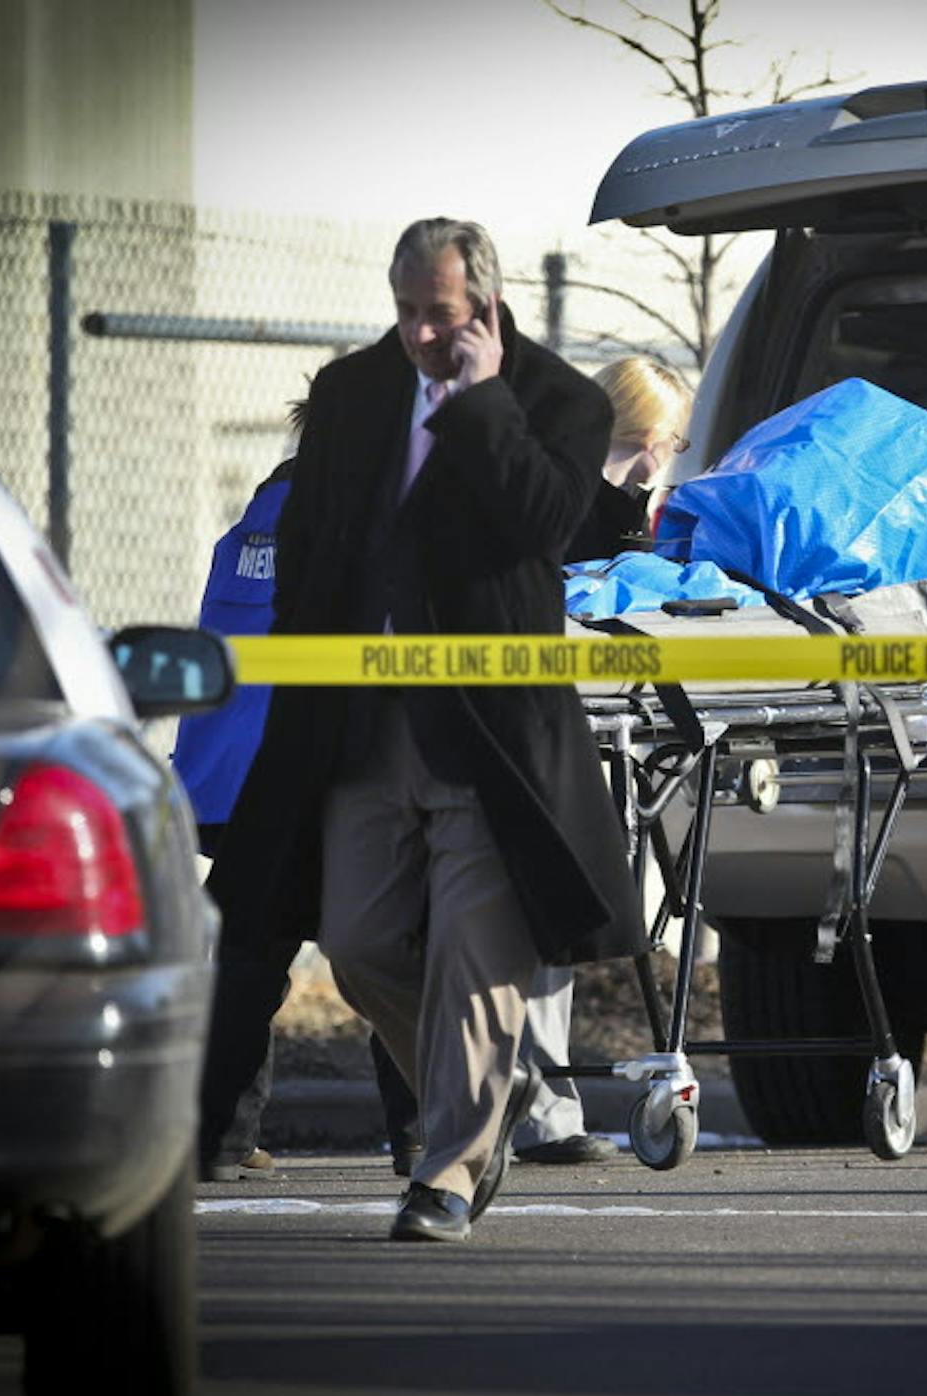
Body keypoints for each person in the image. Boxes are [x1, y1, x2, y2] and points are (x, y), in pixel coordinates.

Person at [206, 217, 644, 1243]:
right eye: (403, 310)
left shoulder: (558, 403)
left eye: (436, 315)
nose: (416, 333)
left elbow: (545, 522)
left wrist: (479, 399)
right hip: (363, 724)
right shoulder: (355, 392)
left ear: (483, 307)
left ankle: (448, 1167)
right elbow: (314, 537)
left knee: (476, 954)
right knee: (357, 942)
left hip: (489, 740)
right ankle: (483, 1104)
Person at [175, 415, 422, 1183]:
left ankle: (215, 1134)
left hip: (233, 774)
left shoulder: (254, 525)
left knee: (247, 952)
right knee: (395, 938)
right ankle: (425, 1130)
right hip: (324, 769)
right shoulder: (362, 517)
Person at [521, 356, 696, 1166]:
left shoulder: (554, 488)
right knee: (543, 921)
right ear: (649, 435)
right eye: (671, 438)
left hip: (562, 721)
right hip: (568, 725)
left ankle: (528, 1105)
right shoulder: (610, 507)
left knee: (530, 921)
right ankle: (537, 1109)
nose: (670, 456)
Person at [564, 355, 693, 563]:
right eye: (676, 439)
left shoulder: (544, 479)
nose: (676, 451)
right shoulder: (567, 501)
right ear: (653, 434)